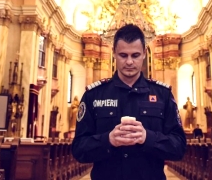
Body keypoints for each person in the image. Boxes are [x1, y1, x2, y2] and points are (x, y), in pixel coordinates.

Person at [72, 24, 186, 179]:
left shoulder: (163, 94)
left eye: (135, 55)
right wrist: (108, 140)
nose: (130, 62)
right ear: (114, 53)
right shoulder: (94, 95)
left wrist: (148, 138)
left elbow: (179, 148)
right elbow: (79, 149)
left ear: (144, 53)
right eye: (123, 55)